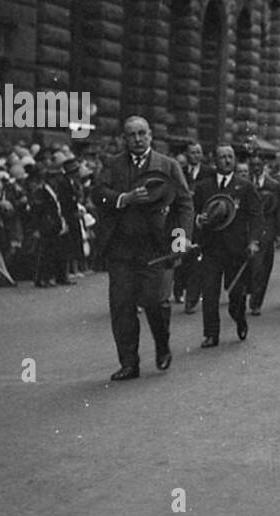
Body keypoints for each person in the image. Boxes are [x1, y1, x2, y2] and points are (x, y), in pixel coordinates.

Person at [92, 115, 193, 381]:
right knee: (122, 305)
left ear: (150, 136)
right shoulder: (112, 165)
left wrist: (181, 237)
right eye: (131, 135)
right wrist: (123, 198)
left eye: (142, 134)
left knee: (154, 301)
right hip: (122, 248)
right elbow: (97, 193)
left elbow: (184, 204)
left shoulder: (168, 165)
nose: (137, 139)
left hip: (155, 248)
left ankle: (162, 345)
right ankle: (129, 363)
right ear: (124, 139)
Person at [192, 145, 263, 347]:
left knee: (236, 294)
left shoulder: (245, 186)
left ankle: (239, 318)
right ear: (215, 160)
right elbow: (193, 212)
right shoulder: (204, 187)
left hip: (236, 249)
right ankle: (211, 334)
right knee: (210, 291)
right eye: (222, 157)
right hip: (211, 247)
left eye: (230, 157)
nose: (226, 160)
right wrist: (198, 220)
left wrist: (253, 241)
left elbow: (257, 216)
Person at [247, 150, 280, 316]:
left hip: (266, 230)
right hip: (246, 230)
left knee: (262, 267)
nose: (255, 168)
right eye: (252, 165)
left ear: (264, 165)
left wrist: (279, 234)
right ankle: (249, 292)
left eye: (258, 164)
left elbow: (279, 210)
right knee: (249, 265)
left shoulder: (274, 185)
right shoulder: (244, 182)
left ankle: (256, 301)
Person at [174, 142, 207, 313]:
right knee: (179, 258)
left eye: (198, 152)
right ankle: (178, 289)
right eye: (192, 152)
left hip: (200, 223)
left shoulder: (208, 172)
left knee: (196, 262)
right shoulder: (179, 171)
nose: (195, 155)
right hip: (181, 223)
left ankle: (191, 298)